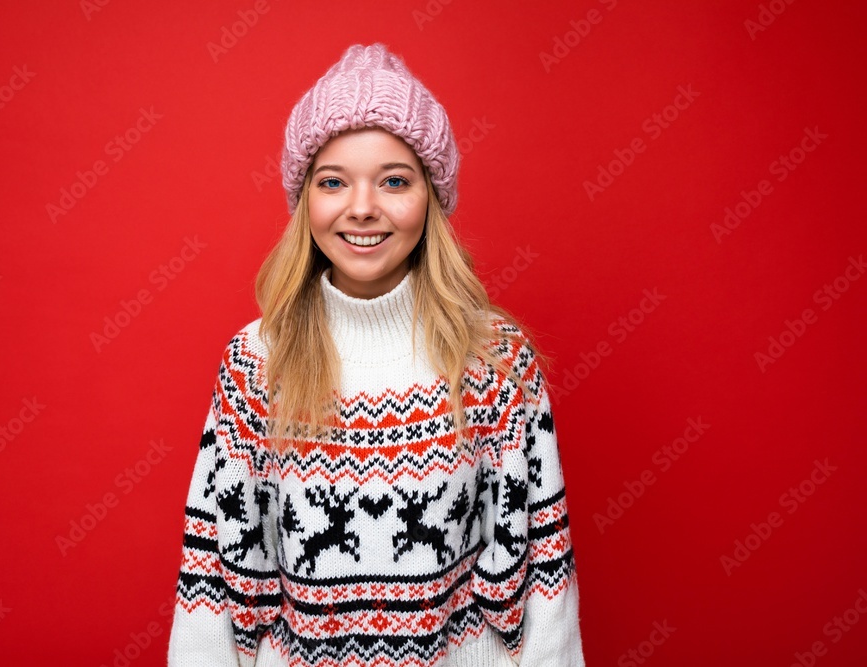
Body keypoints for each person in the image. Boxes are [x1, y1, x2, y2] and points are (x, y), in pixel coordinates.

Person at [167, 42, 586, 667]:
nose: (362, 207)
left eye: (394, 180)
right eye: (333, 182)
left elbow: (543, 577)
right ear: (305, 199)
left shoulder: (494, 360)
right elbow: (212, 584)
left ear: (432, 199)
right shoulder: (259, 362)